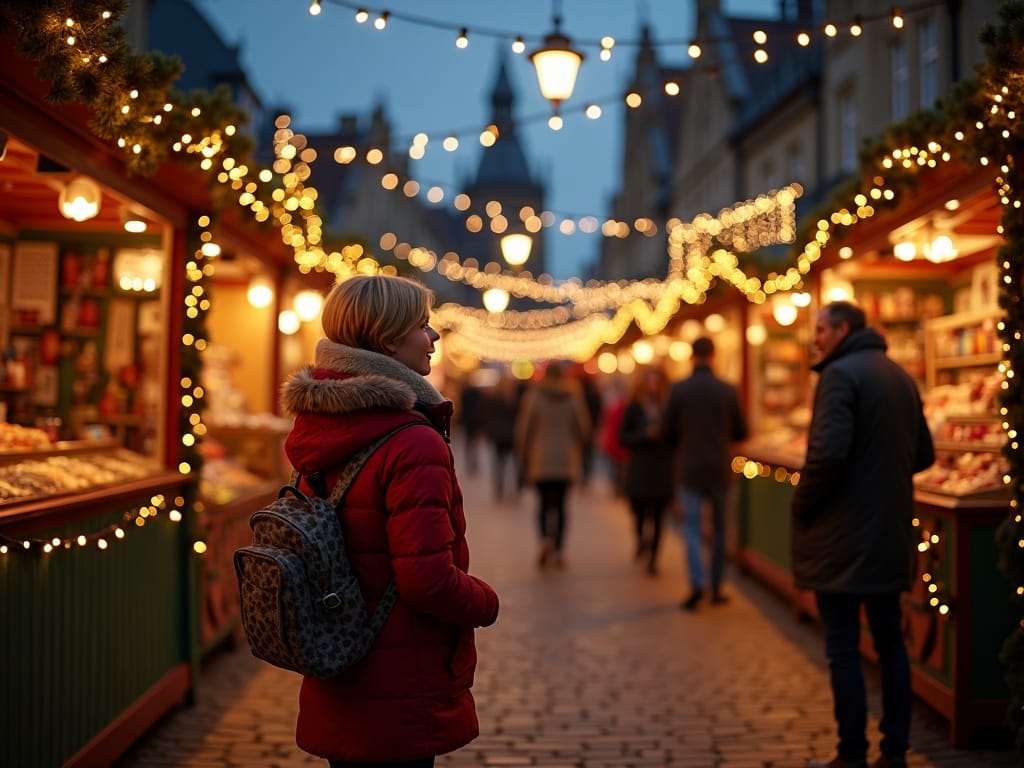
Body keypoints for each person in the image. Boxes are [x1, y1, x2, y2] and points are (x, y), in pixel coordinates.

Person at [280, 274, 500, 768]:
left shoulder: (319, 425)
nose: (435, 336)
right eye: (422, 325)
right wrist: (486, 601)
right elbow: (426, 579)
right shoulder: (410, 441)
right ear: (386, 340)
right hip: (398, 675)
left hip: (338, 661)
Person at [792, 301, 935, 768]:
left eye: (820, 329)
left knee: (843, 647)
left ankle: (851, 752)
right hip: (889, 530)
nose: (815, 338)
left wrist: (804, 505)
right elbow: (924, 453)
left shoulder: (839, 376)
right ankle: (895, 748)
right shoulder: (898, 375)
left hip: (843, 534)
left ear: (843, 329)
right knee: (891, 642)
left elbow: (828, 454)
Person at [662, 335, 748, 610]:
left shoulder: (679, 390)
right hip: (720, 469)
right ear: (714, 356)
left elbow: (667, 432)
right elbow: (741, 431)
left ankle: (697, 583)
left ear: (691, 357)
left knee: (692, 528)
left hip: (690, 468)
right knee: (721, 529)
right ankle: (716, 585)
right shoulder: (727, 390)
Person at [515, 360, 591, 568]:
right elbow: (584, 428)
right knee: (561, 505)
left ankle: (544, 540)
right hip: (566, 459)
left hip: (540, 459)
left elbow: (524, 428)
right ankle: (558, 549)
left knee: (543, 503)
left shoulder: (534, 396)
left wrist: (523, 452)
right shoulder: (573, 396)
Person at [617, 365, 673, 575]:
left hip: (661, 467)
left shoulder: (668, 408)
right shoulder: (633, 407)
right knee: (639, 512)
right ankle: (641, 540)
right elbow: (623, 437)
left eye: (657, 381)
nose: (653, 386)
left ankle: (653, 559)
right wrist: (644, 435)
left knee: (659, 515)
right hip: (639, 468)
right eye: (650, 381)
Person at [486, 371, 522, 502]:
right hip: (512, 434)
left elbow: (489, 417)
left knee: (499, 463)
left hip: (498, 434)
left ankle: (499, 489)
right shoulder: (514, 398)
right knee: (513, 464)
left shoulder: (494, 398)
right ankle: (514, 490)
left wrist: (489, 433)